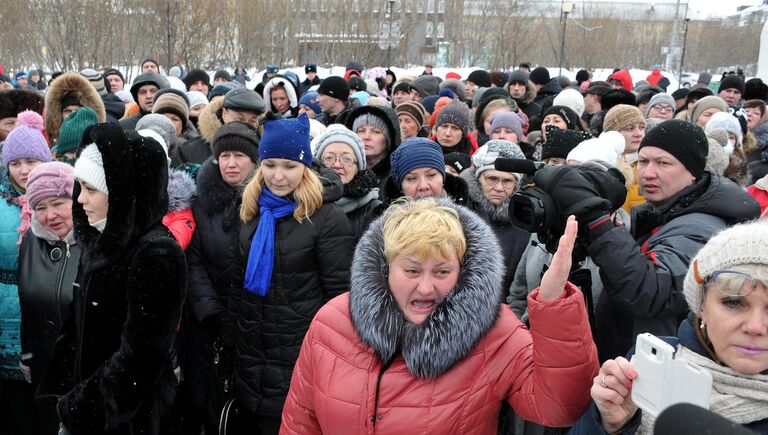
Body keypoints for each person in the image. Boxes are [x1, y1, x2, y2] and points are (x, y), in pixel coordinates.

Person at [281, 197, 599, 433]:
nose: (425, 287)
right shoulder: (332, 322)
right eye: (411, 270)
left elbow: (561, 406)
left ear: (461, 272)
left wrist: (555, 305)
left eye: (443, 271)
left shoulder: (495, 331)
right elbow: (300, 422)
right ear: (385, 267)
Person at [38, 124, 186, 435]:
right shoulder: (102, 240)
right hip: (89, 408)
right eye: (79, 186)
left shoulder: (156, 253)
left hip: (131, 419)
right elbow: (78, 322)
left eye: (91, 189)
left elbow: (140, 358)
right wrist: (60, 387)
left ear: (123, 195)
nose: (80, 200)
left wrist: (80, 408)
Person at [574, 119, 760, 362]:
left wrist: (600, 225)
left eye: (663, 163)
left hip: (660, 368)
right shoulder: (664, 212)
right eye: (643, 161)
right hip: (639, 360)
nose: (648, 173)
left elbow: (648, 291)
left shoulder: (702, 226)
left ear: (693, 172)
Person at [571, 219, 768, 434]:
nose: (756, 327)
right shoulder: (647, 364)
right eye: (733, 302)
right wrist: (610, 425)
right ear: (701, 305)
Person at [228, 114, 353, 434]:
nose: (278, 176)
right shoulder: (251, 208)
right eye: (270, 165)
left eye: (289, 166)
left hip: (300, 356)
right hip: (252, 356)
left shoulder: (326, 219)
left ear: (305, 167)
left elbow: (340, 300)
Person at [183, 120, 259, 434]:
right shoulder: (202, 201)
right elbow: (193, 258)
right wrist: (210, 311)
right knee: (210, 398)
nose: (230, 163)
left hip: (255, 320)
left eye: (239, 156)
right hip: (209, 322)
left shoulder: (267, 200)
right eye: (224, 155)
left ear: (254, 161)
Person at [18, 162, 81, 434]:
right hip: (45, 371)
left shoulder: (99, 241)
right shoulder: (31, 241)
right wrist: (27, 356)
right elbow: (27, 306)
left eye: (58, 203)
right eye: (41, 207)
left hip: (86, 374)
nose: (50, 215)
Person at [0, 110, 52, 435]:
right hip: (5, 320)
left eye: (31, 161)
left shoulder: (60, 199)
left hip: (46, 317)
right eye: (16, 163)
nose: (23, 170)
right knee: (13, 408)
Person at [460, 140, 530, 295]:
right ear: (478, 178)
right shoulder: (460, 213)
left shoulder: (526, 221)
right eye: (492, 179)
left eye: (507, 181)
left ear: (516, 185)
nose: (499, 188)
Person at [314, 125, 382, 242]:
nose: (337, 165)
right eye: (329, 158)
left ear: (358, 167)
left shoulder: (375, 211)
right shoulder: (303, 203)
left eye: (346, 158)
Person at [173, 87, 265, 166]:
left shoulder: (264, 150)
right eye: (239, 120)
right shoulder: (189, 151)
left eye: (252, 121)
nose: (245, 126)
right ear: (224, 114)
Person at [380, 137, 469, 208]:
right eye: (412, 178)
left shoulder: (473, 217)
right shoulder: (383, 225)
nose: (423, 186)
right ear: (400, 186)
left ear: (443, 178)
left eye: (431, 175)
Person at [44, 72, 107, 146]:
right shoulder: (48, 144)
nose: (73, 114)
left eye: (78, 110)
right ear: (58, 113)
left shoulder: (98, 144)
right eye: (67, 111)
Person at [345, 105, 401, 185]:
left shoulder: (398, 175)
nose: (366, 137)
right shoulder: (343, 170)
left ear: (389, 139)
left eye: (376, 132)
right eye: (361, 131)